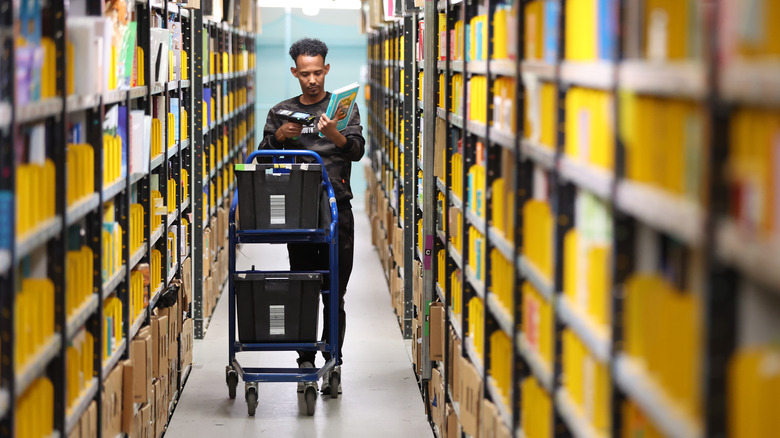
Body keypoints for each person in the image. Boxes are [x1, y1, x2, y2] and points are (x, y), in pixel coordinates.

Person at [258, 38, 365, 395]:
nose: (313, 79)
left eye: (318, 72)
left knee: (335, 291)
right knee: (303, 286)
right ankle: (305, 359)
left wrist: (334, 133)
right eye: (305, 74)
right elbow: (263, 158)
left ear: (327, 69)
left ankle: (333, 357)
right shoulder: (280, 112)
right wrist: (278, 136)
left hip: (338, 212)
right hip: (299, 215)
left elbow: (357, 151)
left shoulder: (344, 110)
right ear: (295, 73)